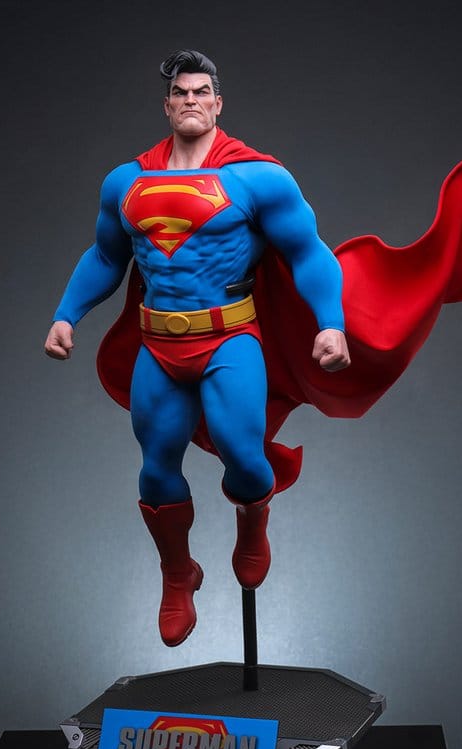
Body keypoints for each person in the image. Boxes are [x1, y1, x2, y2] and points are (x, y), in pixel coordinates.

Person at [45, 49, 349, 647]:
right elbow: (106, 255)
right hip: (158, 346)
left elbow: (308, 251)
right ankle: (178, 572)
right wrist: (66, 315)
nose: (190, 99)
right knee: (156, 468)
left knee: (244, 454)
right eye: (180, 92)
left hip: (229, 337)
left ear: (217, 103)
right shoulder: (126, 182)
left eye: (201, 91)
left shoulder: (258, 178)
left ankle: (253, 519)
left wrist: (330, 322)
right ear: (167, 105)